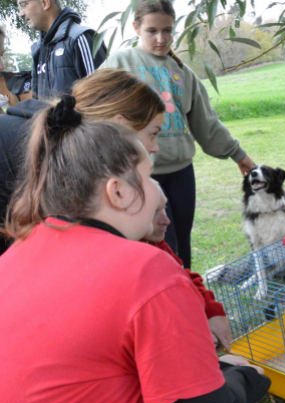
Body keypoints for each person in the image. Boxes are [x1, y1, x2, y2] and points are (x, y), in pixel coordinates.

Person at [0, 97, 285, 403]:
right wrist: (245, 377)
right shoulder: (143, 269)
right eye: (151, 178)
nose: (159, 193)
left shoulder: (19, 250)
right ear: (118, 192)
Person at [103, 0, 256, 269]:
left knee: (181, 246)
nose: (161, 39)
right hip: (141, 174)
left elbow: (206, 123)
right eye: (152, 31)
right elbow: (97, 113)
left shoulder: (182, 72)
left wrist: (238, 155)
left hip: (182, 174)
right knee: (160, 248)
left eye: (168, 31)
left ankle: (189, 297)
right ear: (136, 27)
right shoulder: (120, 63)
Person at [0, 68, 165, 256]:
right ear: (119, 125)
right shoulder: (59, 159)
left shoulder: (54, 135)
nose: (155, 147)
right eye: (153, 134)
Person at [145, 182, 234, 352]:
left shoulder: (155, 242)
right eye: (154, 213)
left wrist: (212, 310)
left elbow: (183, 274)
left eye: (164, 208)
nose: (167, 220)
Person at [18, 0, 106, 99]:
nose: (21, 14)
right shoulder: (38, 50)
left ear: (45, 3)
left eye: (23, 5)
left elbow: (102, 95)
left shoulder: (80, 38)